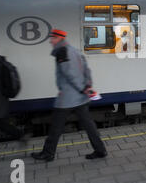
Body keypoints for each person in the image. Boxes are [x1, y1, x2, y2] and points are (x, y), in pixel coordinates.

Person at [31, 29, 107, 162]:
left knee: (56, 126)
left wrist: (83, 88)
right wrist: (88, 86)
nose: (51, 40)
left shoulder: (62, 51)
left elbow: (70, 74)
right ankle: (100, 150)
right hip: (80, 97)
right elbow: (86, 70)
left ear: (60, 38)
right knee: (89, 125)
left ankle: (48, 153)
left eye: (53, 38)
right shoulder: (75, 50)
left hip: (68, 97)